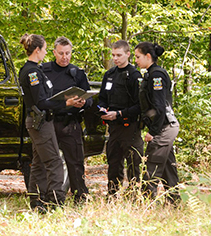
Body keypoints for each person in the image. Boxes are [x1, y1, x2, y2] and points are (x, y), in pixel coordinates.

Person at [18, 33, 81, 212]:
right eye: (45, 49)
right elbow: (41, 102)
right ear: (37, 50)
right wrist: (65, 103)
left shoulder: (34, 70)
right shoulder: (32, 72)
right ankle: (55, 203)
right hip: (40, 122)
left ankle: (36, 202)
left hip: (42, 121)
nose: (46, 53)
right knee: (54, 162)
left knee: (38, 163)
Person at [41, 36, 92, 204]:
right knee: (47, 162)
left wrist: (83, 103)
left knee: (75, 162)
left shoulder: (77, 73)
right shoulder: (44, 71)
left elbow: (89, 98)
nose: (64, 57)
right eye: (61, 53)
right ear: (54, 52)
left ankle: (80, 197)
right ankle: (48, 197)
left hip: (70, 122)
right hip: (50, 122)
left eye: (68, 53)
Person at [134, 42, 180, 203]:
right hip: (162, 126)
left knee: (152, 162)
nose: (136, 60)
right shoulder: (150, 74)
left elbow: (160, 107)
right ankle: (175, 203)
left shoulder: (157, 75)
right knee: (167, 166)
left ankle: (144, 203)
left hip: (165, 127)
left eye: (138, 57)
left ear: (148, 57)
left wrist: (152, 132)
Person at [98, 40, 144, 196]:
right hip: (113, 128)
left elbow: (139, 106)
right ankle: (112, 195)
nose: (115, 58)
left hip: (130, 128)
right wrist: (103, 108)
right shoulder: (109, 75)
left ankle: (134, 197)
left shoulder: (134, 75)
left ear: (128, 54)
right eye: (113, 55)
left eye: (119, 55)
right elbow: (102, 98)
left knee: (133, 165)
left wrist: (119, 114)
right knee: (113, 163)